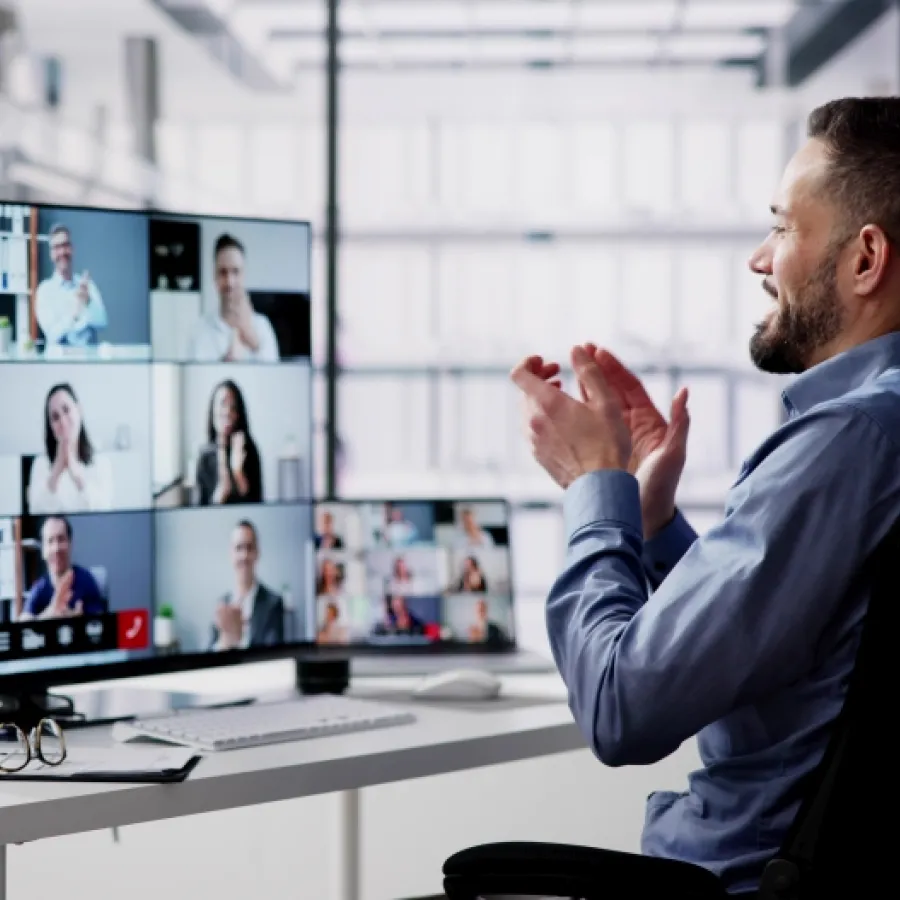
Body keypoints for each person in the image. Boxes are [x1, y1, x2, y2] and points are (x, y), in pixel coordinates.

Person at [510, 96, 900, 896]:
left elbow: (622, 708)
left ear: (866, 259)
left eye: (784, 227)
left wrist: (596, 487)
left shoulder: (850, 440)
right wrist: (651, 523)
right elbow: (799, 650)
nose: (761, 258)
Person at [187, 234, 279, 362]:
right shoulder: (198, 331)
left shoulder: (263, 327)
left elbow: (274, 379)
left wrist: (254, 343)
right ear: (215, 276)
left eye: (236, 271)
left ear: (244, 275)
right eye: (223, 272)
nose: (230, 282)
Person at [27, 383, 113, 514]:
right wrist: (56, 471)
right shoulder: (40, 464)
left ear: (79, 410)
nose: (62, 421)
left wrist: (76, 473)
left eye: (66, 410)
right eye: (55, 417)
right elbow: (36, 510)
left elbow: (104, 509)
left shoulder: (101, 463)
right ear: (51, 427)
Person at [210, 520, 284, 651]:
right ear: (231, 554)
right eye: (239, 548)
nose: (244, 555)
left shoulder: (274, 603)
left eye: (249, 548)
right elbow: (207, 654)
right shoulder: (222, 604)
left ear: (257, 553)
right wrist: (223, 643)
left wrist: (240, 641)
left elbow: (274, 655)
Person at [19, 516, 105, 620]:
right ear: (43, 551)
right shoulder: (38, 588)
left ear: (70, 544)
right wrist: (50, 613)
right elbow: (24, 621)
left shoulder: (86, 580)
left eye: (61, 539)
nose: (56, 548)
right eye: (50, 541)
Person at [35, 224, 108, 347]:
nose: (62, 252)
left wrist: (88, 302)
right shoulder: (44, 291)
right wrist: (74, 314)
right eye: (57, 247)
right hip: (59, 364)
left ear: (72, 249)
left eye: (65, 245)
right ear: (51, 254)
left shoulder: (87, 286)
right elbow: (53, 335)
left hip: (89, 362)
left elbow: (103, 323)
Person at [195, 379, 263, 506]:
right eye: (222, 404)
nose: (227, 412)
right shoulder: (204, 456)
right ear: (212, 410)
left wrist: (237, 472)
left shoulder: (250, 450)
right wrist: (221, 491)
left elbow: (256, 502)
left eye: (233, 407)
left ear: (239, 414)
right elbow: (200, 509)